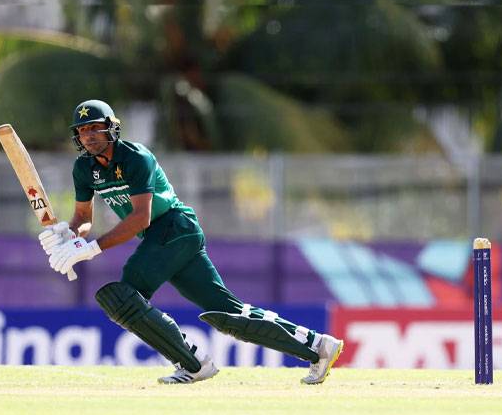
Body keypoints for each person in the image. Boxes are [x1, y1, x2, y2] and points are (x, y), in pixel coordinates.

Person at [40, 100, 344, 384]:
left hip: (173, 226)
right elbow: (83, 216)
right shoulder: (84, 168)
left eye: (95, 127)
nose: (89, 135)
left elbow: (141, 218)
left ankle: (193, 363)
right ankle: (318, 346)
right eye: (83, 130)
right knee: (227, 314)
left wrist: (91, 248)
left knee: (124, 297)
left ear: (111, 127)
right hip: (168, 236)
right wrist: (70, 233)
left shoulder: (135, 158)